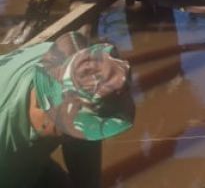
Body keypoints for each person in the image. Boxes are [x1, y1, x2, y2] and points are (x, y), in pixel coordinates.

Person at [0, 30, 135, 188]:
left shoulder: (60, 61)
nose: (77, 136)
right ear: (40, 107)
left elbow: (85, 157)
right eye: (69, 130)